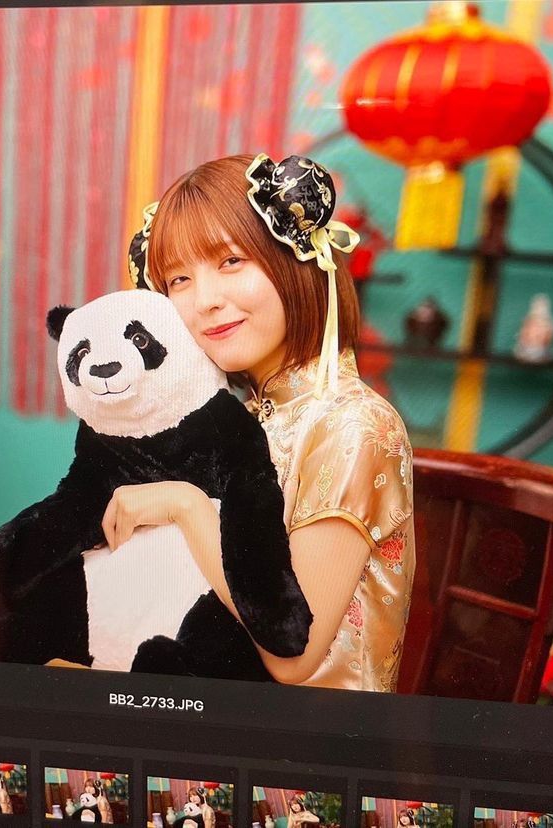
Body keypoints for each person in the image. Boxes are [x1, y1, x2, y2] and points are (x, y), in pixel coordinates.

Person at [105, 152, 415, 691]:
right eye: (179, 278)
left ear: (296, 258)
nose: (205, 301)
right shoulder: (240, 418)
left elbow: (294, 656)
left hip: (303, 737)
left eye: (230, 261)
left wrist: (184, 505)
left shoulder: (354, 426)